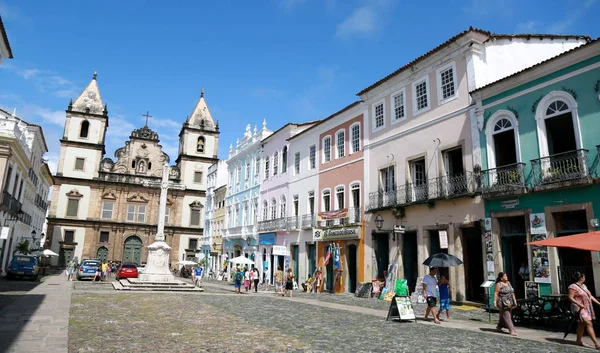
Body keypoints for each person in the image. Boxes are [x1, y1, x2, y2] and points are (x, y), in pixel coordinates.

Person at [568, 271, 600, 349]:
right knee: (589, 323)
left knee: (581, 324)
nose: (585, 278)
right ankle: (597, 344)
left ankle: (578, 341)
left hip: (586, 307)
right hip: (579, 308)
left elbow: (590, 296)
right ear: (581, 278)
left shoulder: (584, 286)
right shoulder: (572, 286)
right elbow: (570, 297)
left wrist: (598, 303)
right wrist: (579, 304)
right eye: (584, 277)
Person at [493, 272, 518, 336]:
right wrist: (495, 302)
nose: (506, 277)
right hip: (502, 301)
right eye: (505, 276)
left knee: (505, 314)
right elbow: (496, 293)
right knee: (507, 315)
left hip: (509, 301)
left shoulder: (508, 283)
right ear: (501, 278)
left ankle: (499, 326)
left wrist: (515, 300)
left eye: (506, 276)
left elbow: (512, 292)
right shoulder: (499, 284)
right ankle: (512, 330)